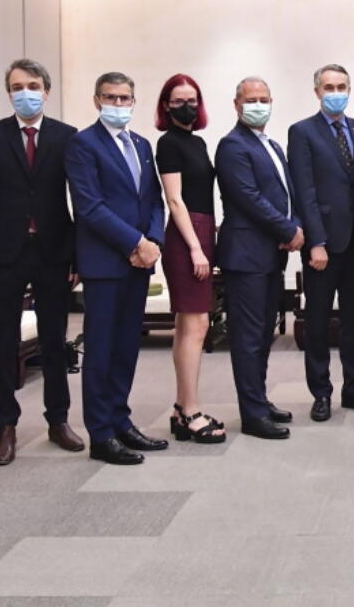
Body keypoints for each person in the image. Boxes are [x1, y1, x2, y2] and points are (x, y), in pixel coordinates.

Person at [0, 59, 83, 466]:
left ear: (46, 91)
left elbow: (80, 199)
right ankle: (6, 425)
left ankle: (58, 420)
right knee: (3, 342)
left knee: (55, 339)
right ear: (9, 92)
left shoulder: (68, 137)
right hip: (5, 254)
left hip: (54, 251)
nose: (25, 92)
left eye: (32, 85)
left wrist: (78, 255)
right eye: (17, 86)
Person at [65, 72, 168, 465]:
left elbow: (154, 200)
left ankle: (121, 421)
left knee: (127, 348)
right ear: (97, 101)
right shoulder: (83, 144)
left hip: (140, 262)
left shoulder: (141, 145)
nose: (119, 104)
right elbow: (89, 207)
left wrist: (153, 242)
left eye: (125, 98)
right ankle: (101, 434)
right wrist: (135, 243)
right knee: (102, 350)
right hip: (106, 263)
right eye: (111, 97)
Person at [287, 64, 354, 422]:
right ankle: (321, 392)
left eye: (342, 86)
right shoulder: (302, 132)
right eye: (329, 87)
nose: (336, 92)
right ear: (317, 92)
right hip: (323, 245)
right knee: (318, 321)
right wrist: (316, 242)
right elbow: (304, 192)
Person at [215, 76, 302, 439]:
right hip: (246, 256)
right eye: (250, 99)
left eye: (264, 98)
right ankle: (251, 414)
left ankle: (260, 399)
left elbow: (286, 193)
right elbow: (249, 198)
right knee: (248, 338)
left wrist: (293, 222)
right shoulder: (232, 146)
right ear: (236, 104)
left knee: (264, 332)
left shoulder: (272, 145)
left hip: (270, 256)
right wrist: (287, 230)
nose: (258, 104)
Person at [155, 73, 224, 443]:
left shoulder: (197, 142)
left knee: (189, 325)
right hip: (186, 237)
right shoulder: (168, 143)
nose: (187, 106)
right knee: (195, 326)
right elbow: (175, 200)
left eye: (192, 100)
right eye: (179, 100)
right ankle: (192, 410)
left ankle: (182, 408)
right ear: (166, 106)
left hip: (202, 230)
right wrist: (196, 247)